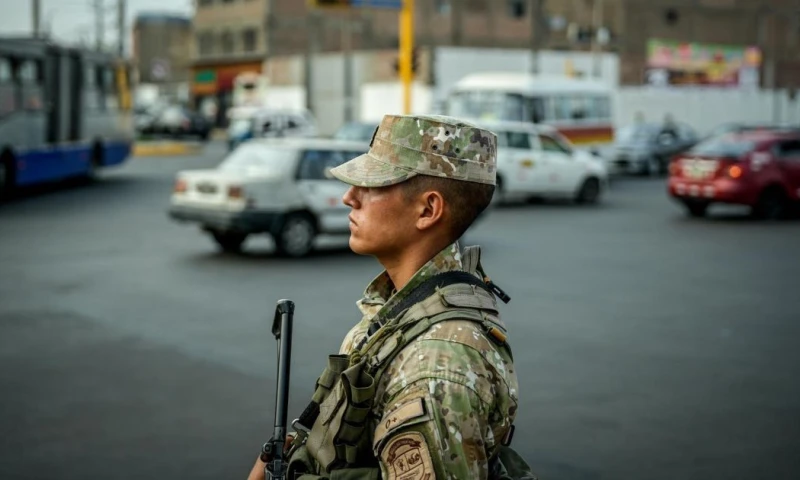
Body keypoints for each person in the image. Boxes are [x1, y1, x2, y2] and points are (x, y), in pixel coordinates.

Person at [248, 114, 526, 480]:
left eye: (373, 185)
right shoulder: (408, 305)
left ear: (428, 210)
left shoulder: (435, 367)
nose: (349, 197)